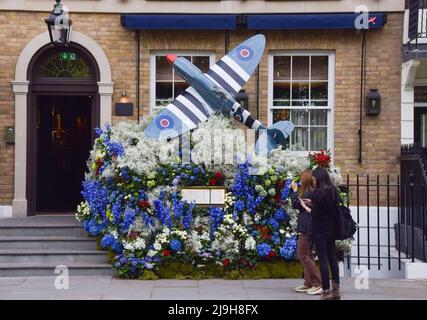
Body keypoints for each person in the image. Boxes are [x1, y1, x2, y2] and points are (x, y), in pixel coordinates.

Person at [308, 166, 342, 300]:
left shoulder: (317, 193)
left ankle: (325, 286)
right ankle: (336, 283)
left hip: (320, 230)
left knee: (322, 258)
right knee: (332, 256)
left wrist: (307, 206)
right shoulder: (333, 191)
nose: (314, 180)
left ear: (319, 178)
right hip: (332, 229)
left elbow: (316, 213)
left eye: (315, 178)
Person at [290, 170, 322, 295]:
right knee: (308, 255)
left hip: (307, 228)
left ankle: (318, 283)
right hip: (310, 227)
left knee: (302, 254)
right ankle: (309, 283)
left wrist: (294, 191)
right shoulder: (310, 193)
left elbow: (295, 204)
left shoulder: (308, 194)